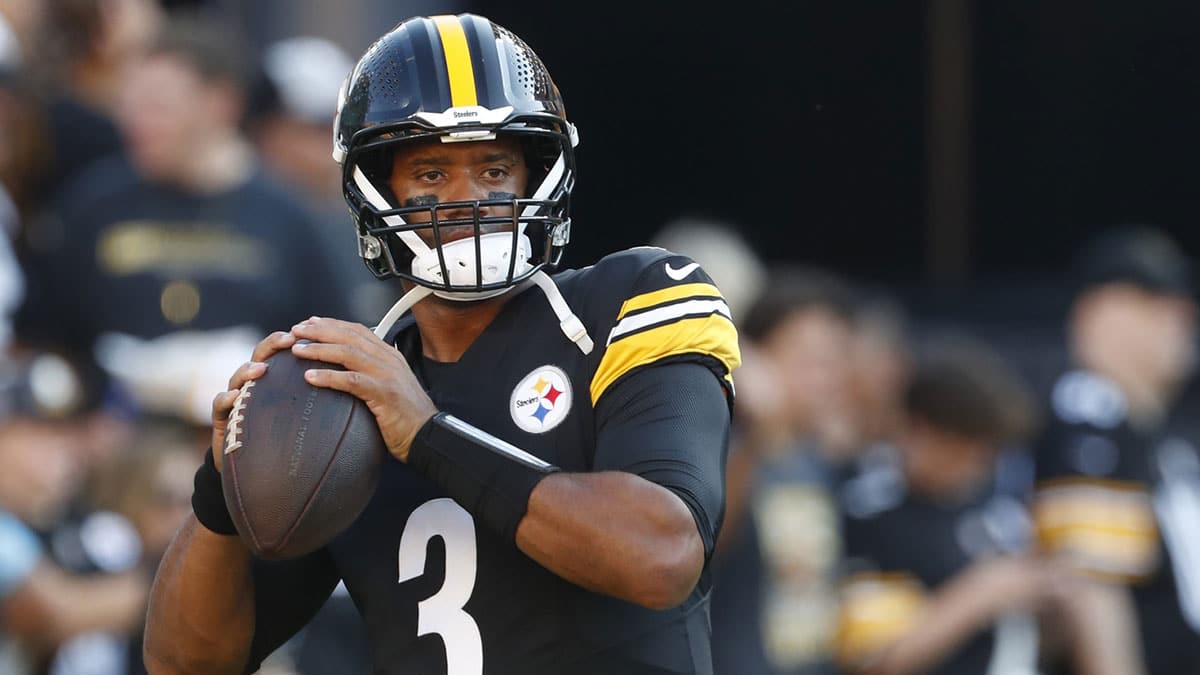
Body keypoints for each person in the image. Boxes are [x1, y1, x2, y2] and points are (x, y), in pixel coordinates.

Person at [143, 13, 741, 675]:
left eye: (494, 167)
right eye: (430, 173)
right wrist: (221, 481)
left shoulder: (629, 300)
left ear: (535, 176)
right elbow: (184, 663)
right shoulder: (345, 393)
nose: (470, 197)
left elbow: (661, 555)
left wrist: (427, 433)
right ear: (374, 189)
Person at [14, 9, 349, 425]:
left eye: (158, 107)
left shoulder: (288, 216)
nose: (138, 123)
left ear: (220, 105)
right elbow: (39, 338)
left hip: (245, 440)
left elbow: (330, 349)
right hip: (110, 440)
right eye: (130, 105)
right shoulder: (88, 204)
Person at [835, 334, 1145, 675]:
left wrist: (1049, 591)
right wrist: (982, 593)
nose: (979, 466)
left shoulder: (990, 504)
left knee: (1095, 597)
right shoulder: (874, 515)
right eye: (968, 450)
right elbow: (877, 660)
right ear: (922, 431)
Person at [1030, 224, 1200, 675]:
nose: (1180, 319)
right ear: (1099, 312)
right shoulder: (1087, 416)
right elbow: (1090, 589)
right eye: (1152, 305)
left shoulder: (1155, 431)